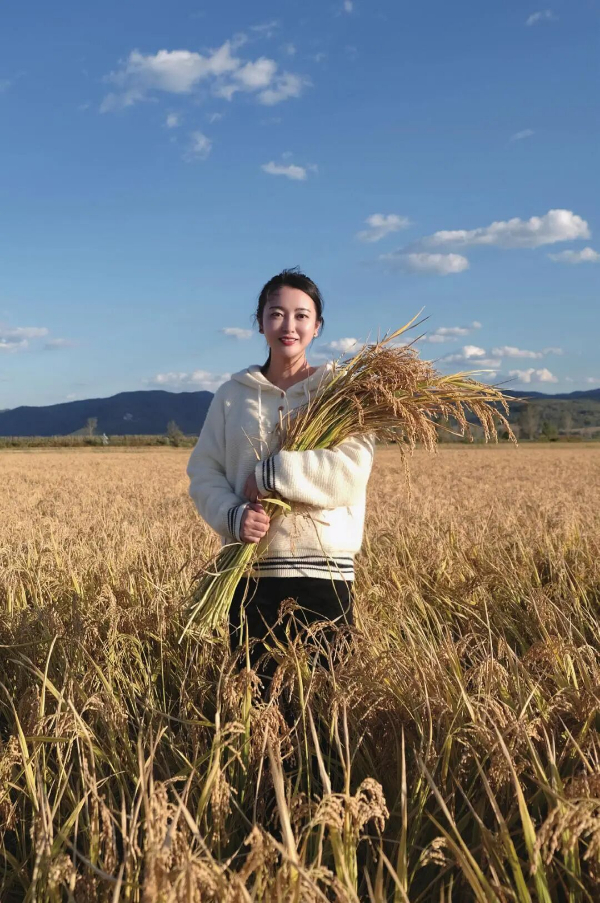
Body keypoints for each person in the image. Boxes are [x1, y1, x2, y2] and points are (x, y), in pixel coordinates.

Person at [186, 268, 375, 691]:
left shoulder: (341, 394)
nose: (289, 325)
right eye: (276, 314)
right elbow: (204, 471)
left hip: (325, 575)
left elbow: (350, 474)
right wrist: (233, 517)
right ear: (260, 322)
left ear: (317, 326)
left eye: (301, 315)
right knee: (256, 701)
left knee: (323, 704)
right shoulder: (232, 395)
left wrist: (271, 474)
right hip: (250, 575)